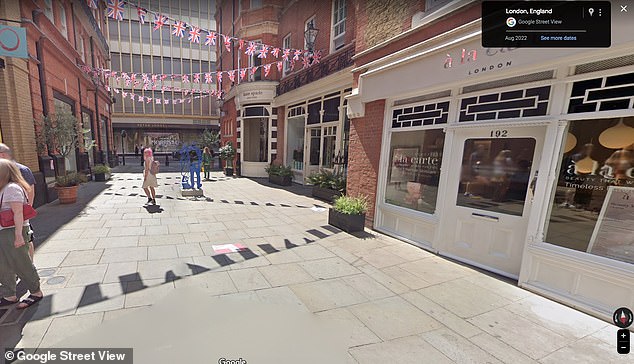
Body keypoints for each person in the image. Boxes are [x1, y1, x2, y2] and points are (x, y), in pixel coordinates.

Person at [0, 159, 43, 309]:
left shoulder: (12, 188)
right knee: (3, 265)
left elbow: (18, 213)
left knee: (22, 263)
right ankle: (9, 294)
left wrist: (19, 235)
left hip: (13, 231)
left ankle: (36, 291)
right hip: (3, 231)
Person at [0, 143, 36, 260]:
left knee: (26, 240)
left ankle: (30, 265)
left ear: (2, 155)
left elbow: (30, 193)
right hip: (4, 217)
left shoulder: (22, 170)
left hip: (18, 215)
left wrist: (25, 215)